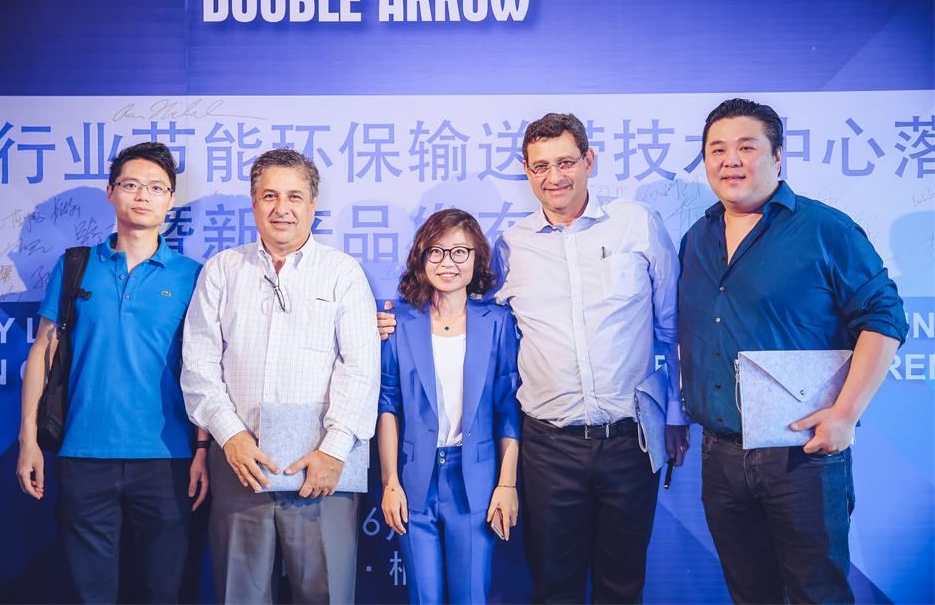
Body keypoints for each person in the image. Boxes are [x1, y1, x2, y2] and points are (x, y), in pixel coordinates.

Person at [380, 113, 688, 603]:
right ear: (526, 171)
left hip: (630, 440)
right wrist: (398, 323)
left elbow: (673, 328)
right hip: (548, 446)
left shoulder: (637, 224)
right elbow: (466, 308)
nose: (554, 176)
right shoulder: (511, 247)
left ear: (588, 161)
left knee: (622, 584)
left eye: (565, 162)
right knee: (554, 586)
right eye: (540, 166)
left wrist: (675, 413)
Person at [678, 98, 908, 604]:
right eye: (717, 150)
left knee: (817, 596)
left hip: (802, 456)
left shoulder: (825, 229)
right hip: (721, 458)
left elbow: (885, 318)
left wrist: (845, 413)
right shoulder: (697, 238)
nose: (730, 160)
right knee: (751, 596)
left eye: (746, 147)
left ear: (778, 157)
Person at [180, 148, 379, 604]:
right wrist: (230, 437)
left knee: (325, 594)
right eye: (269, 195)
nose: (281, 208)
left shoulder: (342, 272)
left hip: (322, 468)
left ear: (313, 204)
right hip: (240, 464)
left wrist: (333, 450)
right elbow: (198, 364)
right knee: (239, 595)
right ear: (253, 202)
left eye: (294, 196)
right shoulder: (222, 270)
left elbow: (361, 368)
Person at [15, 142, 209, 603]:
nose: (143, 195)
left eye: (156, 188)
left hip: (167, 458)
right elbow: (44, 351)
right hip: (83, 453)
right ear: (111, 192)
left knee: (163, 590)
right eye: (131, 185)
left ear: (170, 200)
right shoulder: (75, 265)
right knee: (90, 592)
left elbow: (206, 368)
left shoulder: (193, 275)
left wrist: (202, 449)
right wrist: (28, 440)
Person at [378, 209, 521, 603]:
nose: (448, 263)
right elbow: (388, 406)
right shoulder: (398, 322)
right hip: (414, 480)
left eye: (460, 252)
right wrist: (391, 482)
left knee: (470, 595)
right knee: (423, 596)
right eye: (436, 252)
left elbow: (508, 411)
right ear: (421, 258)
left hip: (475, 480)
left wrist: (506, 484)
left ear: (476, 258)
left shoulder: (498, 323)